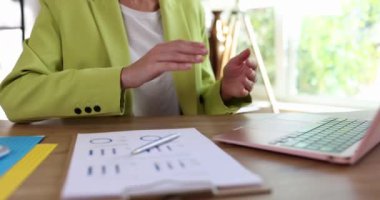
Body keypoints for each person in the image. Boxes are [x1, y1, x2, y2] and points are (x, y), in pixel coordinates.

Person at [0, 0, 257, 123]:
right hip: (102, 162)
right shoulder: (64, 6)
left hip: (183, 154)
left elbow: (197, 103)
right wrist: (122, 77)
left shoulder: (189, 7)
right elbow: (16, 96)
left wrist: (224, 91)